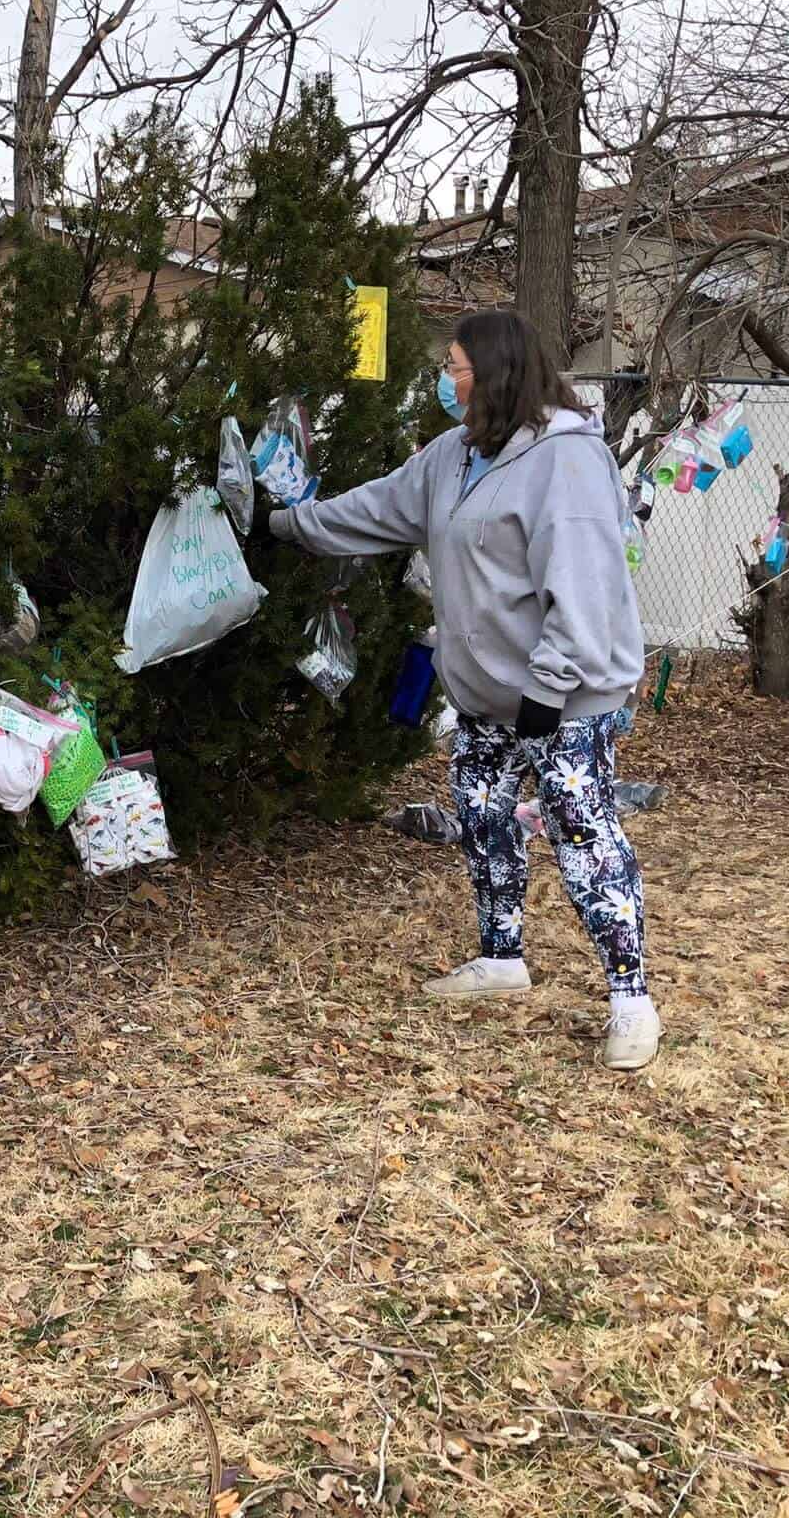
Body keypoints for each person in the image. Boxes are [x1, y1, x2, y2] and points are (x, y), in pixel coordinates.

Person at [266, 309, 657, 1071]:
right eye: (446, 368)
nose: (447, 383)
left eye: (456, 369)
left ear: (499, 372)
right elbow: (380, 507)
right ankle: (502, 957)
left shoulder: (566, 460)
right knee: (481, 815)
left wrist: (551, 685)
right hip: (487, 695)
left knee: (583, 836)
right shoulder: (453, 455)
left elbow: (582, 580)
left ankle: (630, 999)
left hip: (564, 695)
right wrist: (284, 525)